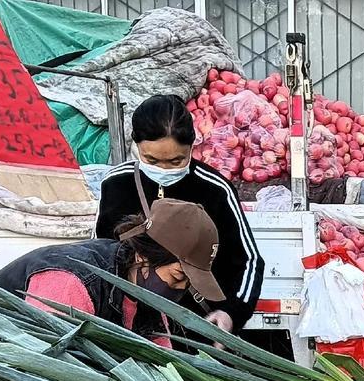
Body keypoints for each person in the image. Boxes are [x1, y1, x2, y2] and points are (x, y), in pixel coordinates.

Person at [96, 93, 263, 332]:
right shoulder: (116, 184)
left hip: (199, 328)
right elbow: (101, 254)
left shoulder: (214, 188)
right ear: (136, 144)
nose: (163, 169)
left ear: (192, 145)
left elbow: (249, 260)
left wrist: (231, 313)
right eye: (151, 159)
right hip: (132, 328)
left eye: (176, 161)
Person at [0, 198, 229, 344]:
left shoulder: (144, 294)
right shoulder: (71, 280)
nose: (180, 289)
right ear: (143, 256)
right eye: (178, 276)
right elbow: (46, 362)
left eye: (189, 284)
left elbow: (159, 362)